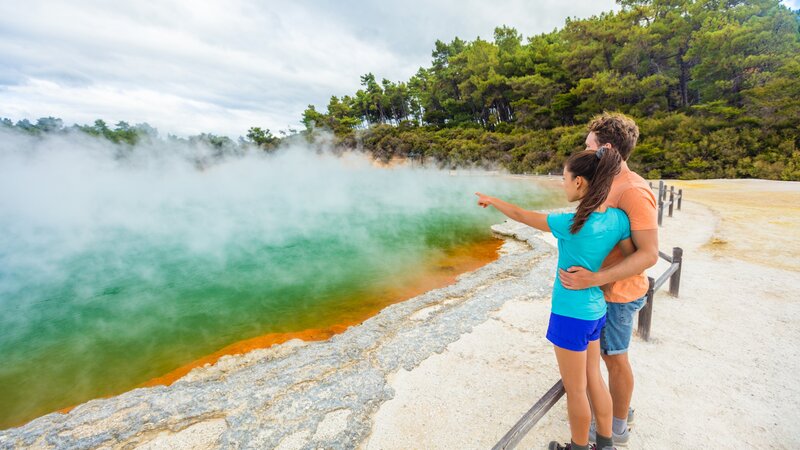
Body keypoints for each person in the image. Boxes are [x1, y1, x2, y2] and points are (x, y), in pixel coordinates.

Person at [476, 145, 630, 450]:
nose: (563, 184)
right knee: (594, 378)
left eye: (564, 178)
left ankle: (577, 446)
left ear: (580, 183)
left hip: (570, 314)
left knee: (576, 390)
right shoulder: (617, 219)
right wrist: (597, 277)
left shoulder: (570, 224)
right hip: (596, 309)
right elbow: (628, 258)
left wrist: (492, 200)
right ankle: (606, 442)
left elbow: (521, 215)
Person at [558, 112, 658, 445]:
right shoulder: (607, 183)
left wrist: (596, 277)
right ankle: (617, 412)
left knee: (615, 358)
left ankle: (617, 425)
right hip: (601, 291)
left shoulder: (631, 190)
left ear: (607, 148)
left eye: (589, 145)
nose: (585, 149)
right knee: (603, 358)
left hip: (619, 292)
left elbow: (648, 254)